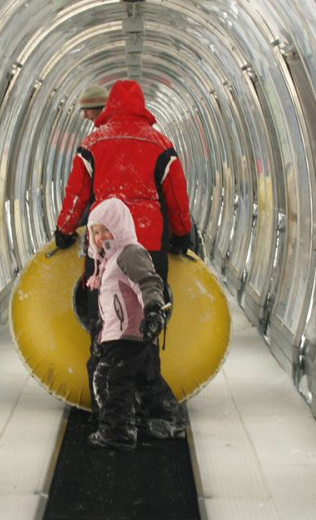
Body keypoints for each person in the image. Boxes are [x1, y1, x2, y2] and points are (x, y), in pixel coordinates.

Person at [53, 79, 193, 418]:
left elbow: (77, 194)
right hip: (148, 243)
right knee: (146, 321)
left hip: (105, 246)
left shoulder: (93, 142)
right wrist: (182, 234)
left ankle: (111, 412)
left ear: (110, 106)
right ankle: (154, 411)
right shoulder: (161, 144)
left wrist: (64, 230)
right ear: (142, 106)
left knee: (105, 324)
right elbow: (176, 197)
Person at [85, 198, 185, 451]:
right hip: (125, 333)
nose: (99, 237)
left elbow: (147, 282)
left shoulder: (130, 252)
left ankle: (118, 431)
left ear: (119, 228)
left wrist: (153, 310)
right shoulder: (110, 259)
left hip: (129, 333)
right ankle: (168, 420)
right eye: (95, 232)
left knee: (110, 380)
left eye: (105, 230)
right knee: (146, 379)